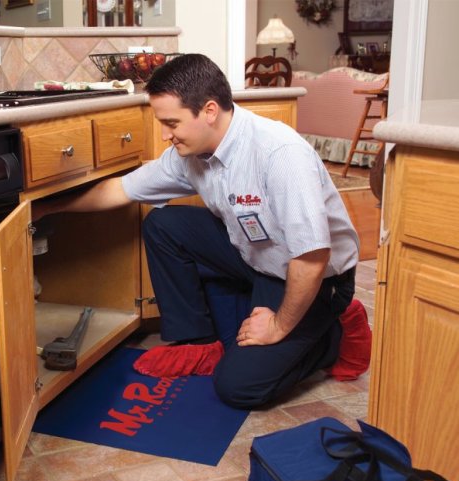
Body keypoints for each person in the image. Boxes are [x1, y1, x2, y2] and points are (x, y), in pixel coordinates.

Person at [34, 53, 363, 410]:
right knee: (164, 225)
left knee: (238, 386)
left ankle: (335, 336)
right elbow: (121, 190)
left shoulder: (279, 154)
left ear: (208, 111)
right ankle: (197, 341)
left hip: (316, 279)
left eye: (171, 123)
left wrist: (280, 326)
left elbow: (312, 258)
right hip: (256, 256)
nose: (164, 135)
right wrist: (44, 208)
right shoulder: (188, 154)